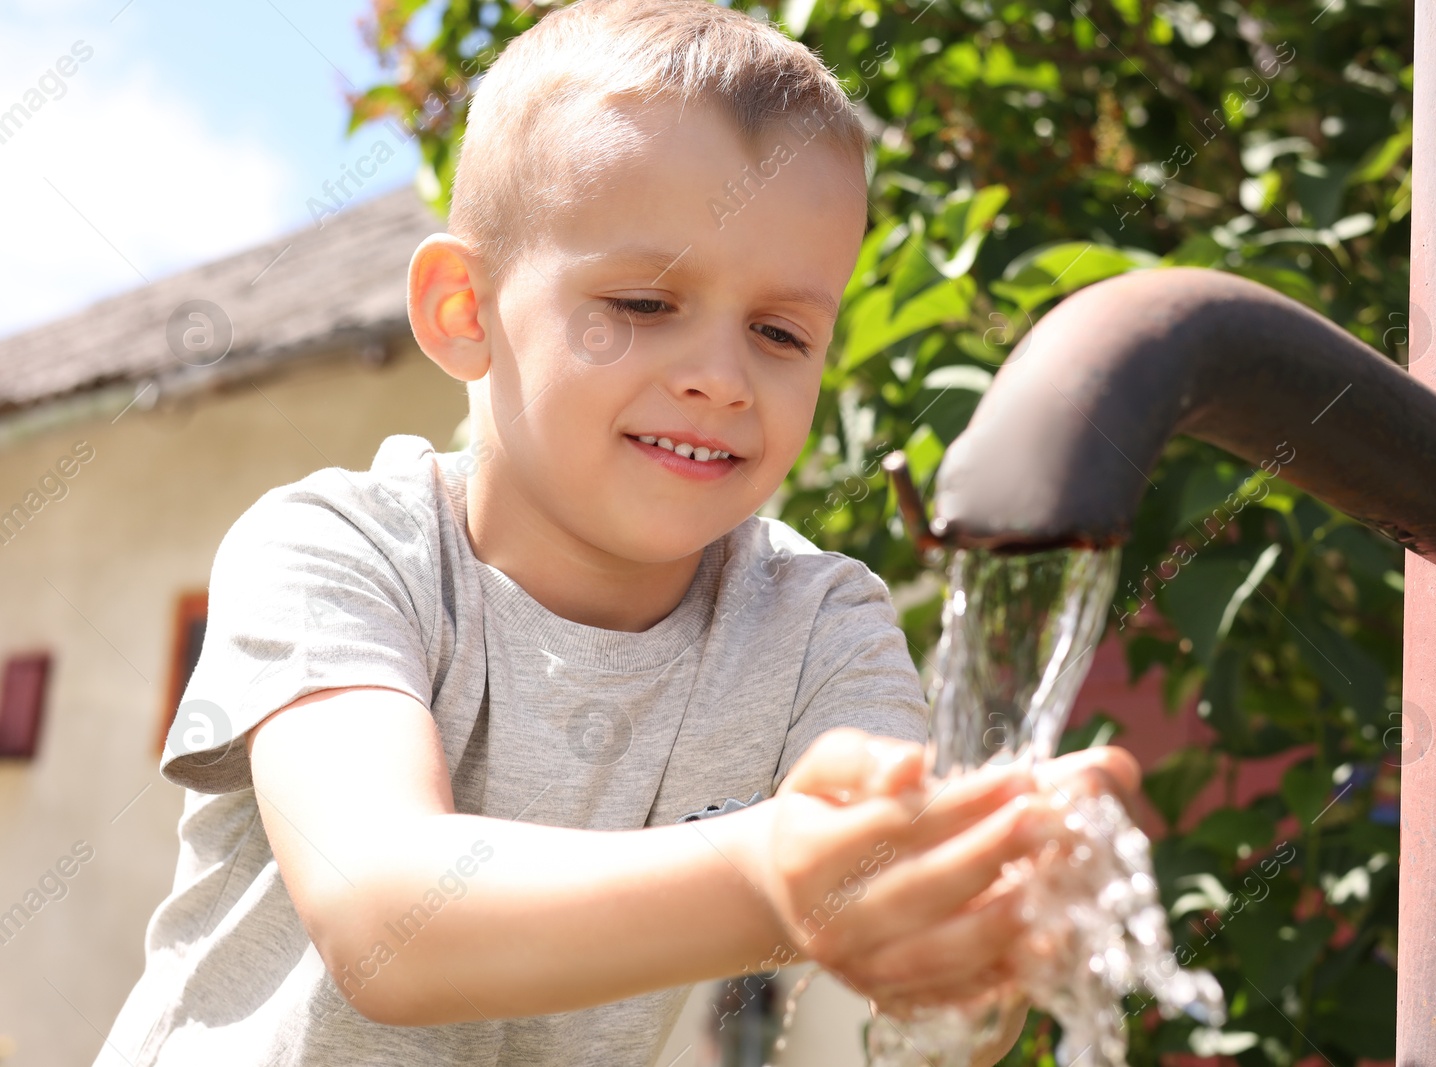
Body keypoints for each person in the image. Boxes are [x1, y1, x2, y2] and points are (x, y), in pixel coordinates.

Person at [94, 1, 1137, 1064]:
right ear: (464, 308)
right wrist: (775, 874)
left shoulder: (819, 625)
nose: (719, 377)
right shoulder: (340, 549)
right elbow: (385, 918)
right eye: (642, 302)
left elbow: (933, 985)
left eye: (780, 331)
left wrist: (981, 900)